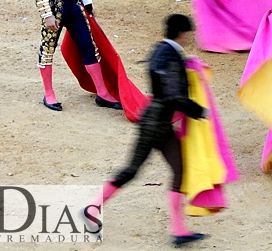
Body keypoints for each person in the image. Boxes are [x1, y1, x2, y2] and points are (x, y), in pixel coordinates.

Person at [86, 15, 209, 246]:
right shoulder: (170, 56)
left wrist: (187, 63)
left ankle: (179, 230)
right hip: (155, 125)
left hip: (158, 123)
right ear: (182, 33)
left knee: (180, 169)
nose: (191, 38)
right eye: (189, 34)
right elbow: (173, 95)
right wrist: (199, 111)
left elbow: (164, 77)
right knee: (132, 170)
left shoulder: (161, 50)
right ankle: (91, 209)